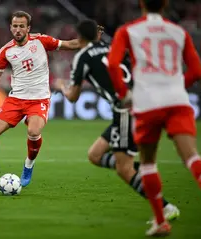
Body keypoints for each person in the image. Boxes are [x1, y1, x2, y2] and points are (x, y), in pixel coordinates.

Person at [107, 0, 201, 236]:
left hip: (147, 100)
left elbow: (113, 64)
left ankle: (161, 220)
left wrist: (124, 94)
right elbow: (197, 72)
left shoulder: (128, 30)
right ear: (165, 4)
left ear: (141, 4)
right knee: (191, 155)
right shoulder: (178, 31)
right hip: (176, 99)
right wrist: (177, 85)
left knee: (148, 163)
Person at [56, 19, 179, 225]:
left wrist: (61, 85)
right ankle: (140, 170)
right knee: (95, 155)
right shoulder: (113, 47)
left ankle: (165, 208)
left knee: (124, 169)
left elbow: (73, 97)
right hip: (142, 103)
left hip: (126, 110)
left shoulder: (82, 57)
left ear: (79, 37)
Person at [0, 10, 83, 187]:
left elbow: (69, 44)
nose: (18, 29)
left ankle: (28, 165)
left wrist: (90, 41)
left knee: (34, 132)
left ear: (28, 28)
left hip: (39, 99)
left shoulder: (41, 41)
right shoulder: (6, 51)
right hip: (16, 99)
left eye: (22, 26)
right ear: (10, 28)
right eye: (15, 26)